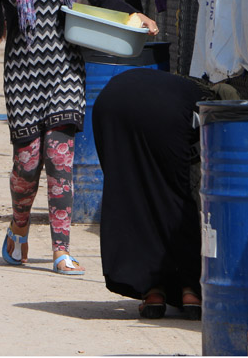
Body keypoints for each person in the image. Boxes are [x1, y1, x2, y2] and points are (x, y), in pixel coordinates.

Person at [0, 0, 158, 275]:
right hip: (23, 75)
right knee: (26, 164)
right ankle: (19, 225)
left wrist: (133, 15)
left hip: (65, 71)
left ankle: (61, 250)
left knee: (60, 161)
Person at [94, 70, 233, 319]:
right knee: (176, 200)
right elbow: (191, 185)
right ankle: (191, 290)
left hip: (109, 102)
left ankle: (152, 291)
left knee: (130, 195)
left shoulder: (187, 87)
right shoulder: (208, 110)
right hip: (161, 114)